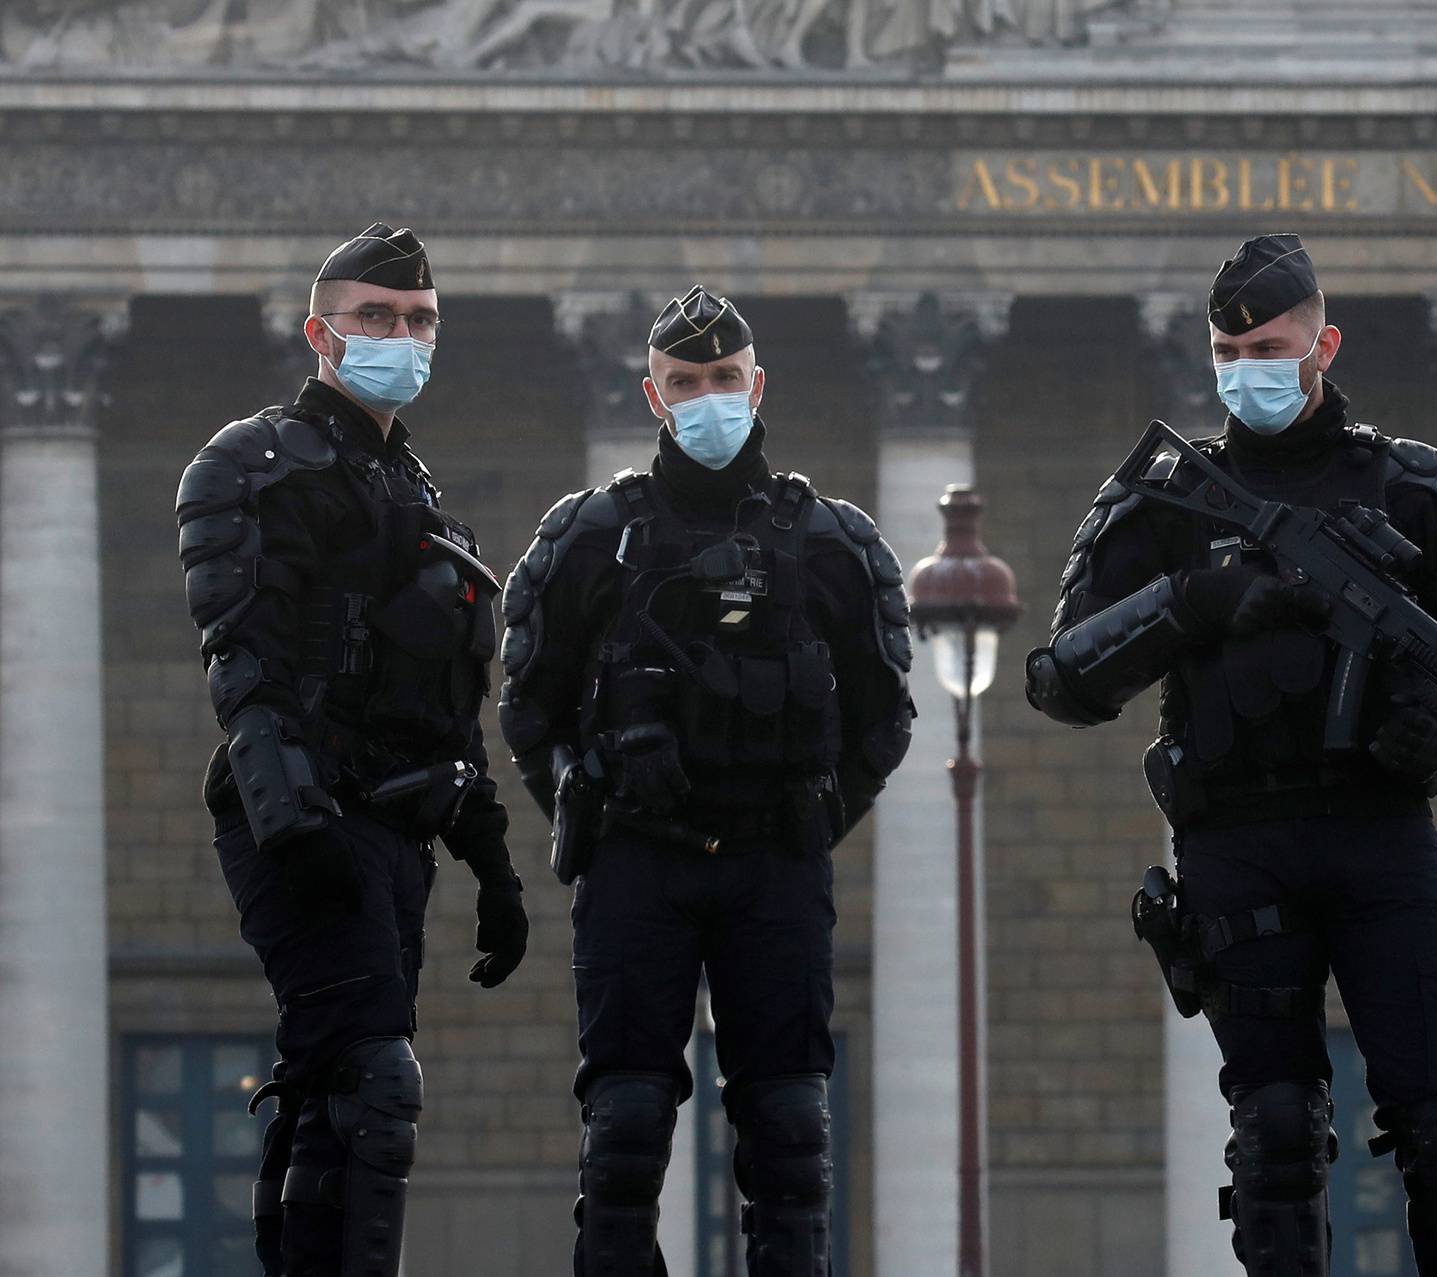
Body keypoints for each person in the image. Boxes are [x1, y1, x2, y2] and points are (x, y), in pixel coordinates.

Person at [1025, 234, 1437, 1277]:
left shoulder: (1417, 492)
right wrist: (1193, 603)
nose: (1247, 364)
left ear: (1323, 343)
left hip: (1380, 833)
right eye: (1228, 347)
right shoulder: (1162, 501)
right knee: (1275, 1133)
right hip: (1236, 841)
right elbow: (1062, 678)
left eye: (1269, 344)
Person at [496, 285, 914, 1277]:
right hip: (641, 860)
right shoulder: (593, 537)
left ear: (757, 385)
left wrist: (814, 817)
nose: (708, 398)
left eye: (724, 379)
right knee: (626, 1128)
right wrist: (586, 810)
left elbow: (884, 712)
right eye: (686, 382)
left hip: (775, 861)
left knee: (789, 1135)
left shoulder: (832, 543)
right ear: (653, 396)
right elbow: (529, 704)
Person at [175, 223, 529, 1277]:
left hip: (391, 826)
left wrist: (494, 859)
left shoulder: (421, 499)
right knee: (374, 1077)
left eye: (418, 320)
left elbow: (442, 706)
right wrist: (289, 810)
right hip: (302, 813)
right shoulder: (250, 464)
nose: (399, 335)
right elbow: (242, 652)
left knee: (341, 1078)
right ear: (320, 334)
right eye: (375, 317)